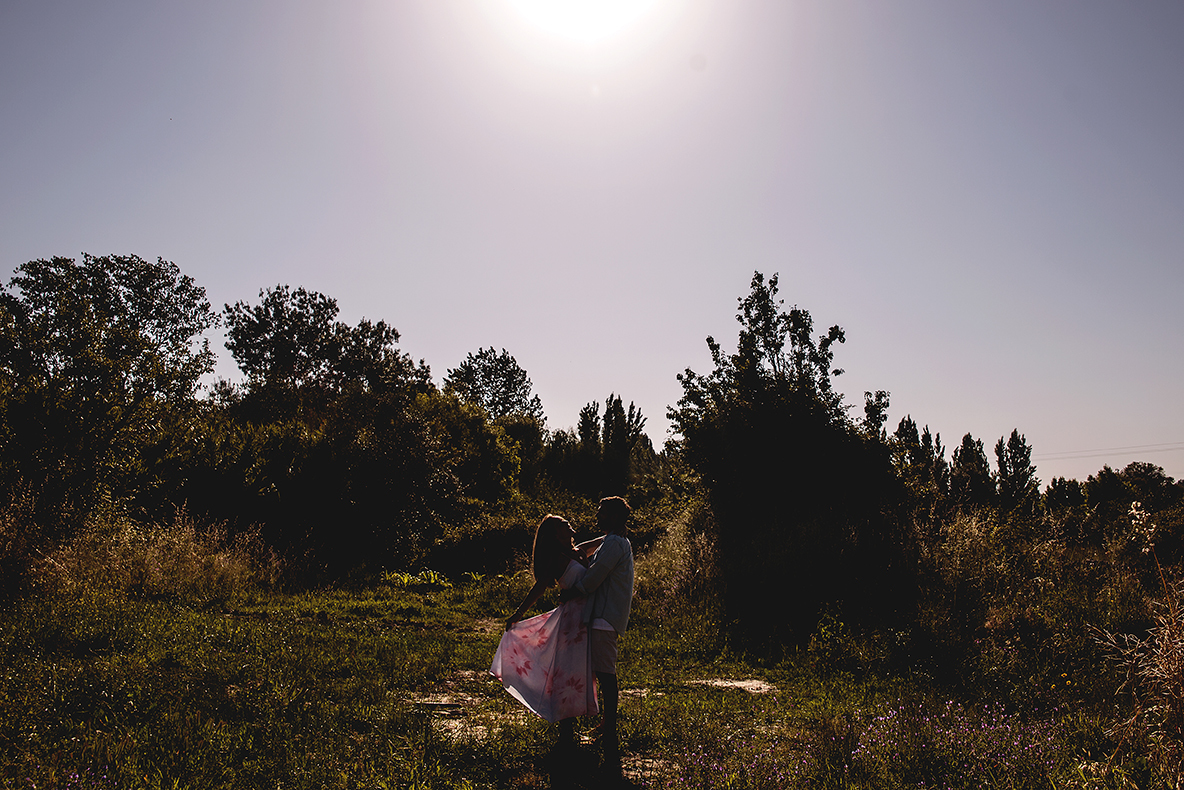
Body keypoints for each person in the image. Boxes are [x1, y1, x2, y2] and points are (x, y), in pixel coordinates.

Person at [491, 515, 602, 748]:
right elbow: (539, 588)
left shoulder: (580, 551)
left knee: (587, 670)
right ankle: (566, 732)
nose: (569, 524)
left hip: (589, 618)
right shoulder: (557, 559)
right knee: (569, 673)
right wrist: (517, 615)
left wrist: (618, 532)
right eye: (563, 524)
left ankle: (585, 725)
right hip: (572, 622)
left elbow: (605, 540)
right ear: (556, 535)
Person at [559, 496, 634, 774]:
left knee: (606, 675)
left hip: (604, 616)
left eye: (602, 513)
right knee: (601, 673)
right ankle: (603, 725)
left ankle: (609, 729)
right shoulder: (612, 540)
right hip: (601, 615)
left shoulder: (614, 543)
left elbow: (594, 577)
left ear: (614, 516)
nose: (597, 516)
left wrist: (571, 592)